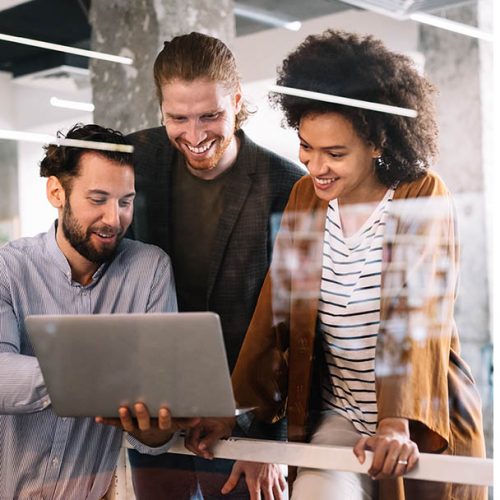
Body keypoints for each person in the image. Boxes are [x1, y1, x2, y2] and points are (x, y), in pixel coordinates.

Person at [186, 30, 487, 500]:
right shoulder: (307, 197)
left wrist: (394, 422)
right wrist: (232, 410)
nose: (315, 166)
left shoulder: (421, 193)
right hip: (340, 414)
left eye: (336, 153)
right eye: (307, 146)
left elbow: (415, 315)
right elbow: (277, 308)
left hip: (419, 421)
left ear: (378, 143)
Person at [127, 32, 304, 499]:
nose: (196, 134)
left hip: (248, 426)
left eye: (211, 115)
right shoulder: (133, 160)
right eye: (177, 118)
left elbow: (297, 325)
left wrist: (270, 442)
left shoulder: (287, 186)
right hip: (157, 419)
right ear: (161, 108)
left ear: (238, 100)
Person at [0, 124, 195, 499]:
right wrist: (99, 372)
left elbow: (152, 437)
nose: (114, 218)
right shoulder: (9, 269)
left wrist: (155, 425)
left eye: (125, 201)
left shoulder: (150, 271)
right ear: (56, 192)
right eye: (98, 198)